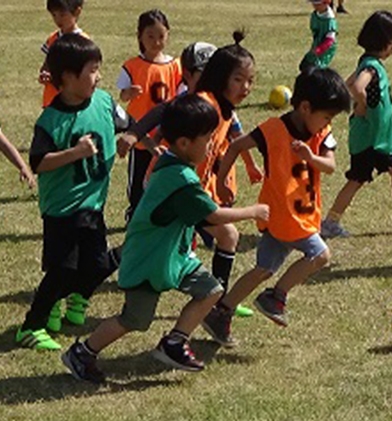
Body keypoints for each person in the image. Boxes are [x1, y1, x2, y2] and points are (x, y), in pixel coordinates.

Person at [61, 94, 269, 383]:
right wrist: (254, 211)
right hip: (149, 259)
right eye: (207, 139)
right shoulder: (179, 178)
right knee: (134, 319)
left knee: (211, 290)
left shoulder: (174, 162)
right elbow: (213, 217)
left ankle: (174, 342)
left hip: (174, 256)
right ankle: (82, 352)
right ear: (184, 143)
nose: (211, 145)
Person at [201, 67, 351, 347]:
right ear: (305, 107)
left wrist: (310, 157)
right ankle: (276, 296)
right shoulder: (272, 130)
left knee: (263, 268)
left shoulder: (322, 133)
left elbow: (330, 166)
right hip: (284, 215)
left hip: (301, 215)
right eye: (326, 116)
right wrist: (221, 182)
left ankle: (221, 312)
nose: (327, 122)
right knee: (320, 255)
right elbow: (235, 146)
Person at [116, 38, 262, 318]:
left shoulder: (226, 110)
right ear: (221, 78)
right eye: (238, 79)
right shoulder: (205, 103)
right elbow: (163, 110)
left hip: (188, 187)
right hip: (169, 187)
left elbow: (222, 148)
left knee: (163, 243)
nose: (245, 87)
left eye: (250, 80)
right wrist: (135, 134)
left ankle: (215, 301)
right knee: (224, 234)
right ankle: (216, 305)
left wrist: (219, 181)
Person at [16, 35, 129, 350]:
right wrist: (74, 153)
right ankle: (31, 326)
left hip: (93, 204)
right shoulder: (51, 121)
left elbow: (128, 124)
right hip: (62, 209)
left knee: (95, 266)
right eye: (92, 70)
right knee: (62, 269)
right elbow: (38, 163)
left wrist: (139, 140)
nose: (99, 76)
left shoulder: (104, 102)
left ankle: (67, 300)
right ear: (66, 78)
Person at [320, 11, 392, 239]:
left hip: (379, 138)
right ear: (386, 43)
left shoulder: (368, 62)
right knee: (357, 180)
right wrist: (361, 104)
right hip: (371, 140)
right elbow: (355, 87)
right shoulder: (371, 67)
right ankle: (331, 222)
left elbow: (346, 85)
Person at [116, 9, 182, 221]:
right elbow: (123, 96)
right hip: (140, 135)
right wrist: (129, 93)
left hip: (166, 135)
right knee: (138, 180)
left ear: (168, 35)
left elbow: (180, 95)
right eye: (150, 37)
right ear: (140, 37)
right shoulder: (132, 66)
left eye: (161, 36)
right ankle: (134, 213)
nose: (156, 42)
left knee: (162, 176)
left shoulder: (175, 66)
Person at [39, 0, 89, 108]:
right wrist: (44, 74)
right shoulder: (53, 39)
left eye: (62, 15)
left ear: (77, 12)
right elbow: (46, 65)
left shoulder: (83, 42)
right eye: (54, 15)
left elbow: (87, 72)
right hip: (51, 100)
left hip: (73, 101)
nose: (58, 20)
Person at [299, 0, 338, 72]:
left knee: (315, 69)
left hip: (325, 48)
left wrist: (319, 49)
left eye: (317, 4)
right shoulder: (315, 14)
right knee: (304, 65)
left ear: (326, 3)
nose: (315, 6)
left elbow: (330, 40)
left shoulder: (329, 20)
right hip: (317, 44)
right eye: (313, 4)